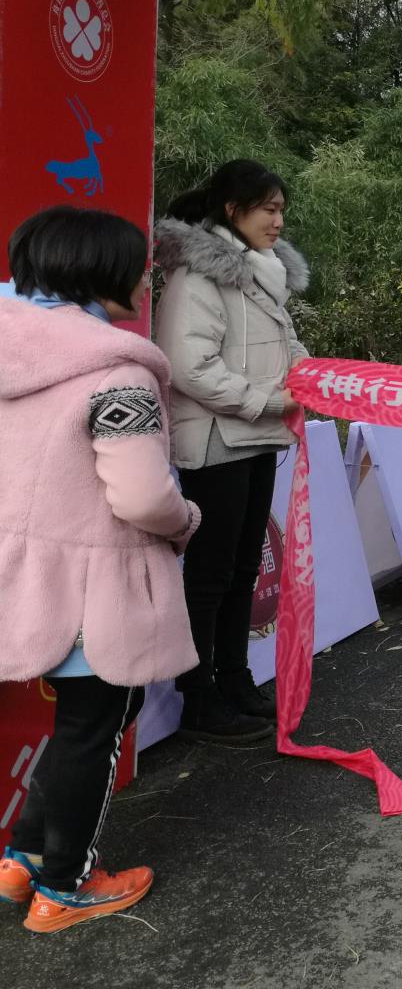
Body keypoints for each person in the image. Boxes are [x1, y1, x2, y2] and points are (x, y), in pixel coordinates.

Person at [0, 207, 201, 933]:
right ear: (102, 272)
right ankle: (65, 886)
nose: (146, 279)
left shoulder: (12, 347)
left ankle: (24, 857)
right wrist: (186, 520)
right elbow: (143, 496)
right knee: (96, 728)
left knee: (78, 727)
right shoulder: (115, 375)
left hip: (24, 577)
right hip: (96, 592)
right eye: (139, 266)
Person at [153, 160, 310, 745]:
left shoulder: (262, 273)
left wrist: (313, 379)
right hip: (219, 440)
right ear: (232, 209)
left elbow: (287, 347)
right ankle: (197, 699)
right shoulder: (197, 278)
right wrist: (268, 400)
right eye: (268, 208)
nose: (278, 220)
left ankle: (236, 680)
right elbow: (189, 367)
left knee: (245, 567)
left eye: (281, 209)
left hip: (257, 435)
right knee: (211, 574)